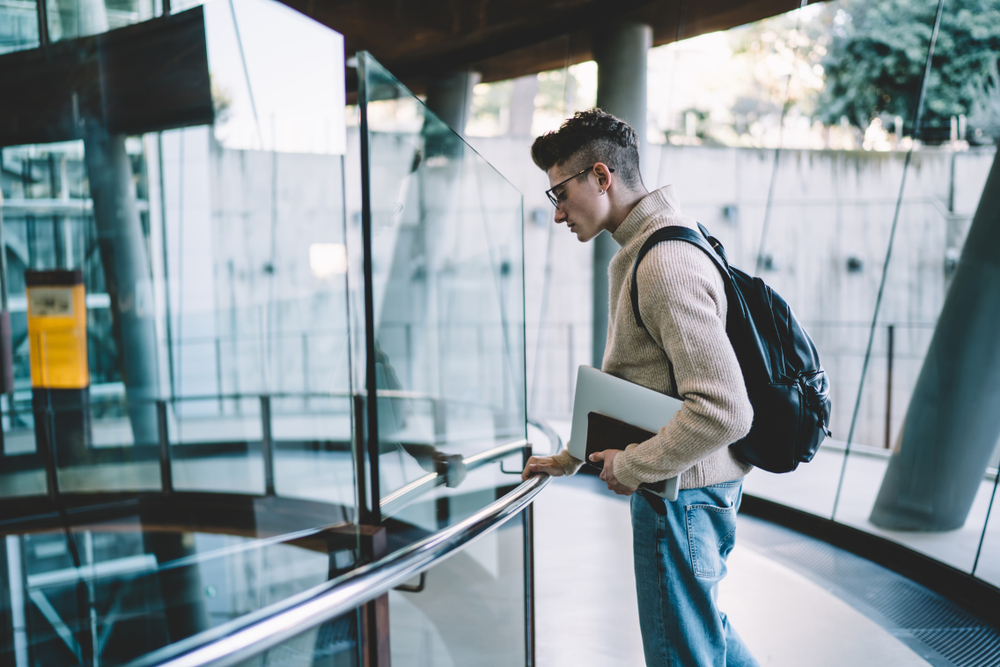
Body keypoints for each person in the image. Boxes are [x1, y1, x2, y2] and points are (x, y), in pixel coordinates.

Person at [521, 108, 759, 667]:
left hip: (682, 495)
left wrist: (630, 467)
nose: (557, 213)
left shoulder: (663, 263)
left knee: (682, 652)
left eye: (560, 193)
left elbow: (725, 410)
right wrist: (574, 457)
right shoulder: (652, 246)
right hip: (687, 486)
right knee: (706, 633)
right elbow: (647, 381)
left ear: (601, 178)